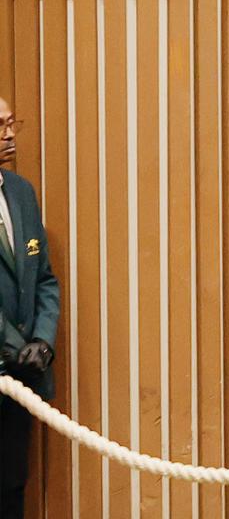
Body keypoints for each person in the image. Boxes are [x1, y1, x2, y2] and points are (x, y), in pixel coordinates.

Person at [0, 95, 61, 519]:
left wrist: (42, 339)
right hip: (6, 364)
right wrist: (10, 343)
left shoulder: (21, 193)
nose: (8, 134)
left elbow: (45, 279)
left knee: (11, 488)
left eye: (11, 122)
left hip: (21, 382)